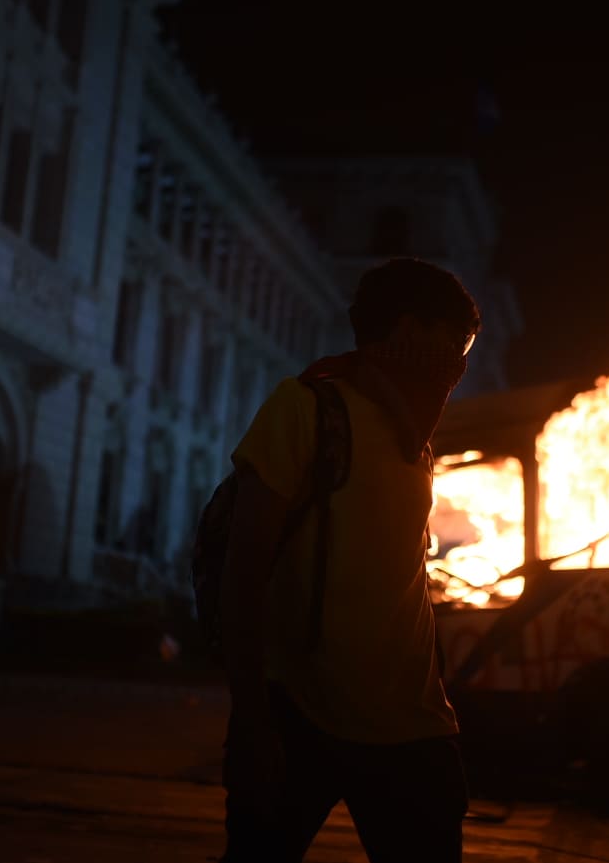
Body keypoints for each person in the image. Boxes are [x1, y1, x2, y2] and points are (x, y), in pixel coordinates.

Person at [220, 257, 480, 862]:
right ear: (410, 332)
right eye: (455, 343)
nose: (460, 363)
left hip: (416, 730)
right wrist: (253, 724)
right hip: (302, 720)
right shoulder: (306, 409)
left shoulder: (418, 441)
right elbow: (244, 575)